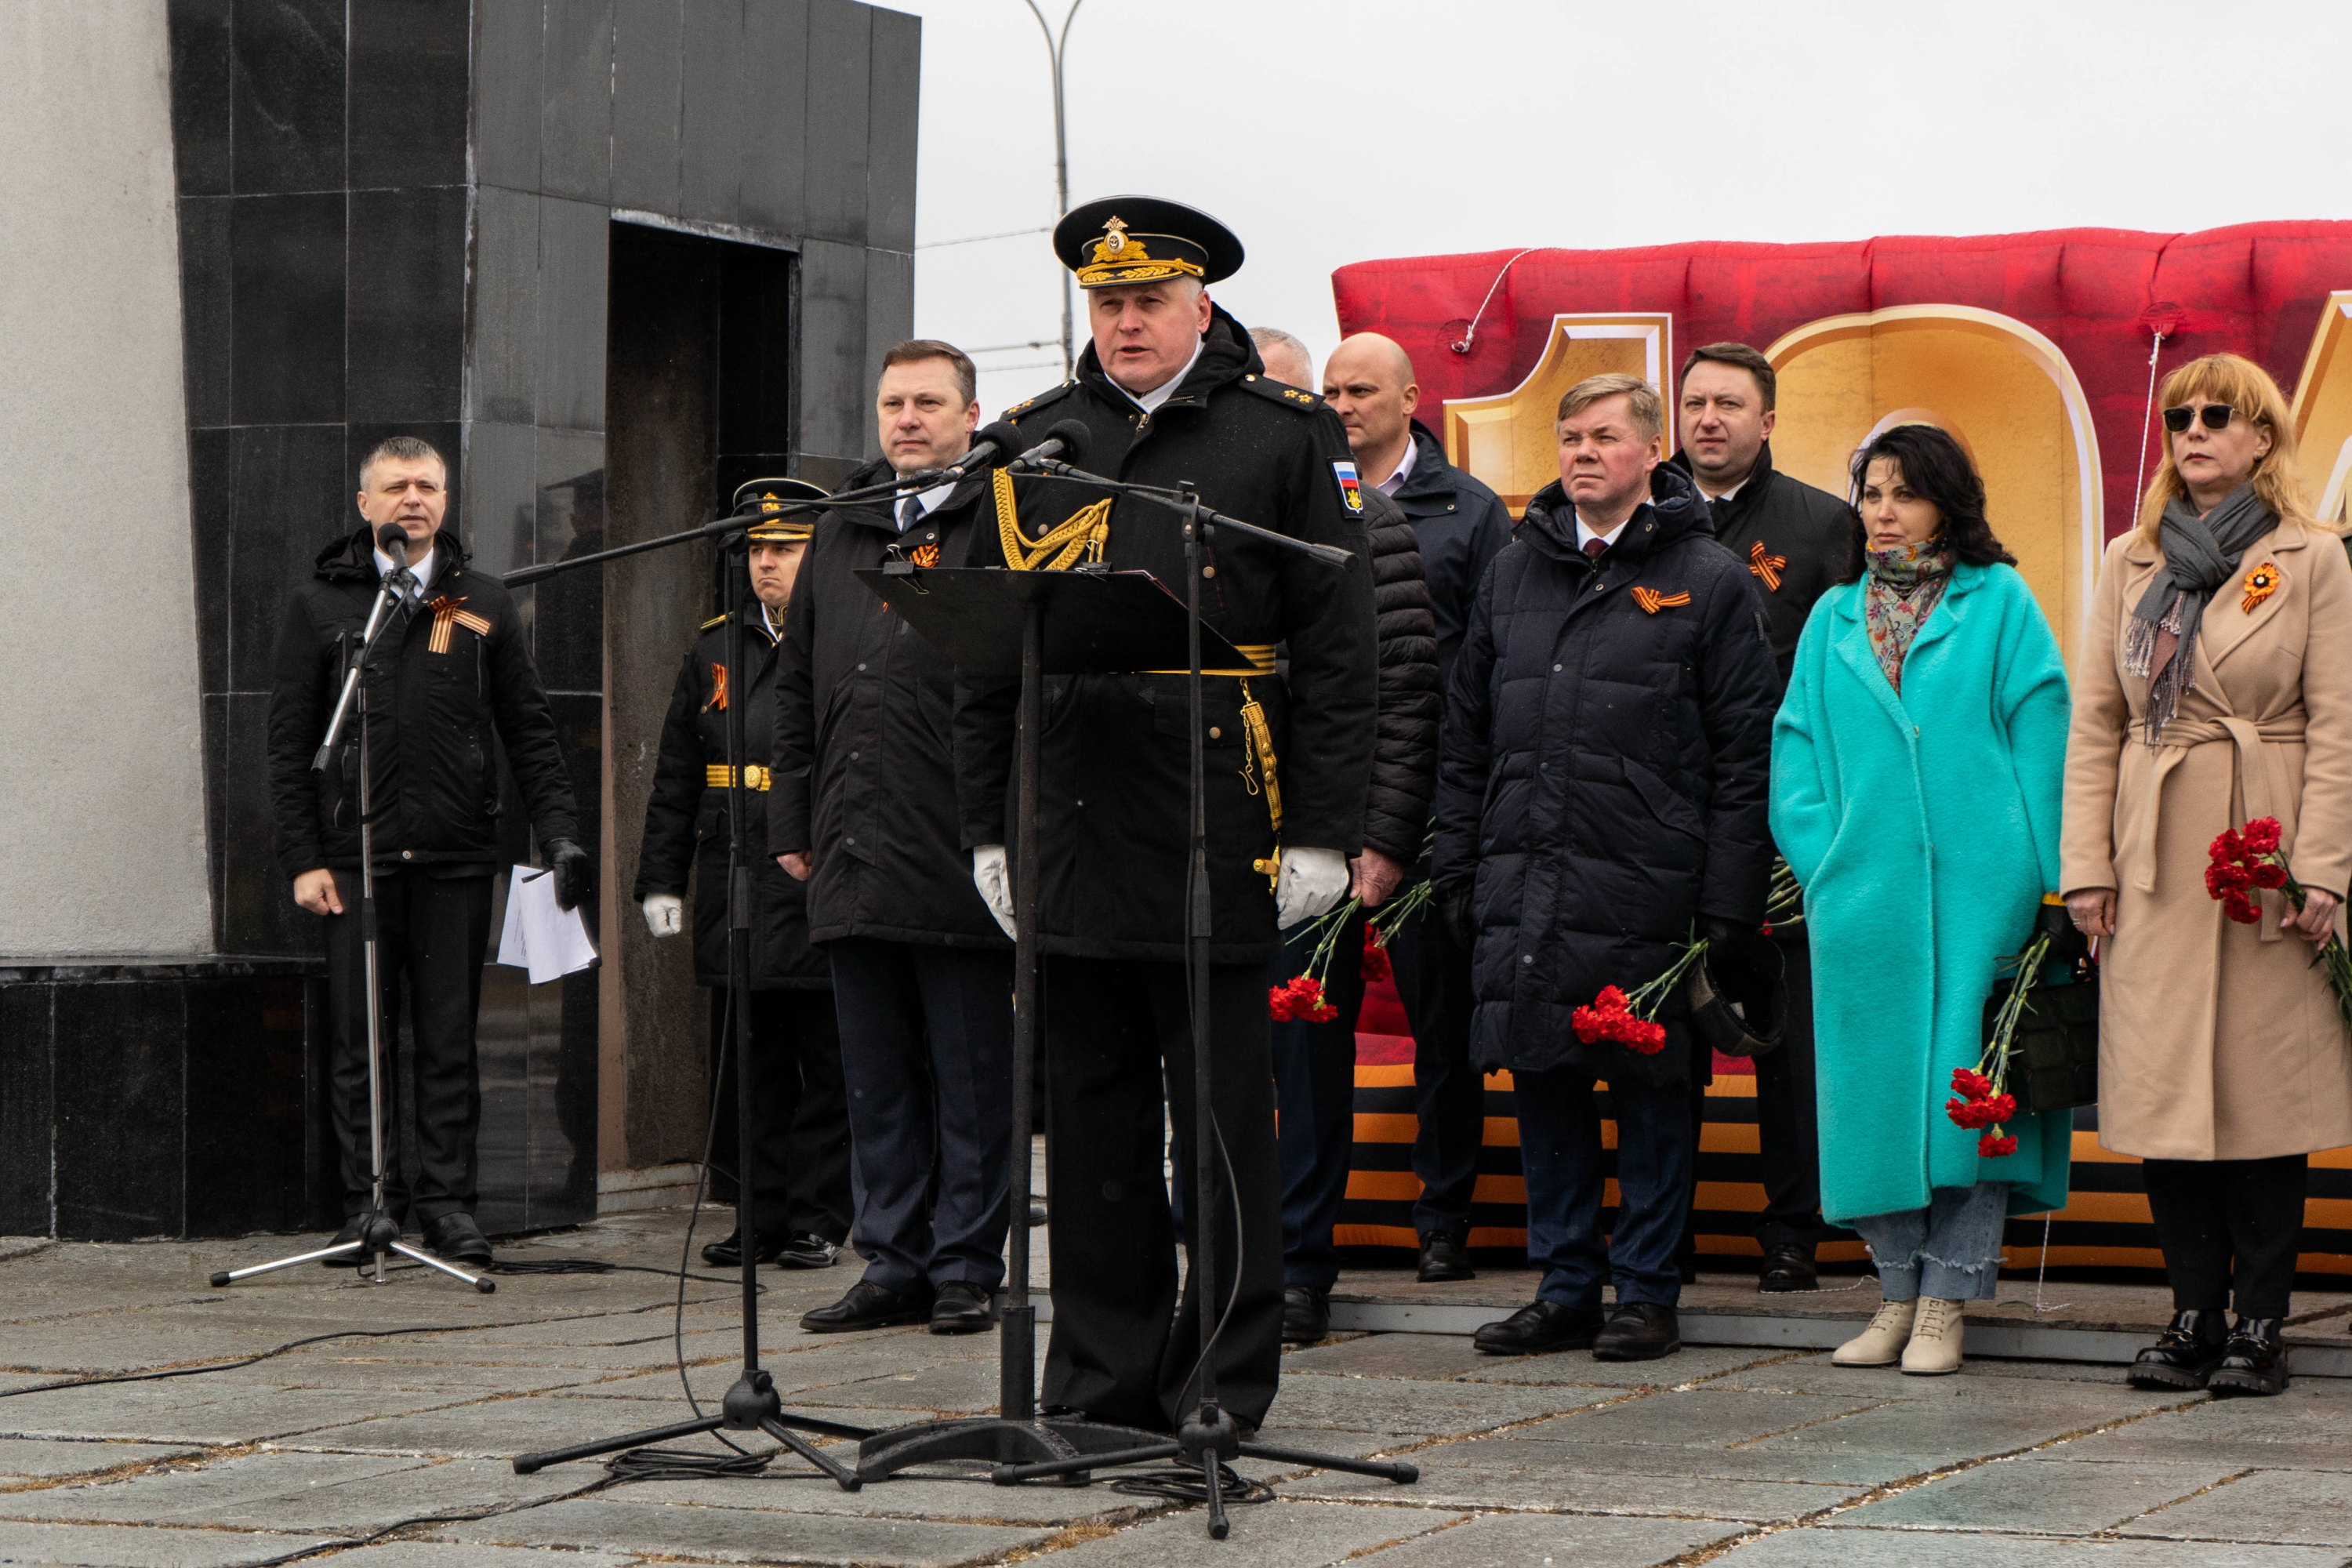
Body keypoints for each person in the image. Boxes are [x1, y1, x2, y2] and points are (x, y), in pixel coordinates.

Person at [955, 198, 1375, 1433]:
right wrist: (989, 829)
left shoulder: (1281, 437)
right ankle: (1100, 1385)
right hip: (1075, 817)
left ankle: (1222, 1388)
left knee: (1225, 1126)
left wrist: (1320, 831)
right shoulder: (1035, 440)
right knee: (1089, 1124)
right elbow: (986, 655)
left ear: (1202, 306)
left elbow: (1342, 655)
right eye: (1107, 302)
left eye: (1148, 301)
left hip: (1217, 814)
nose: (1126, 322)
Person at [1436, 373, 1777, 1361]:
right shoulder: (1512, 570)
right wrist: (1456, 863)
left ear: (1649, 448)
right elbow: (1465, 735)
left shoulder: (1707, 577)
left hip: (1649, 882)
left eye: (1603, 436)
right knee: (1542, 1075)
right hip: (1526, 875)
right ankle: (1567, 1281)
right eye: (1569, 436)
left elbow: (1746, 751)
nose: (1582, 452)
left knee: (1651, 1088)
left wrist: (1726, 900)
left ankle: (1649, 1289)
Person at [2062, 353, 2352, 1398]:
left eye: (2218, 415)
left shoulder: (2311, 558)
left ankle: (2261, 1323)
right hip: (2153, 858)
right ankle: (2191, 1312)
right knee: (2163, 1089)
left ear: (2263, 437)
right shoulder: (2128, 561)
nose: (2194, 430)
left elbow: (2338, 724)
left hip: (2264, 850)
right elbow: (2096, 725)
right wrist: (2086, 869)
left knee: (2265, 1097)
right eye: (2180, 414)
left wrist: (2322, 865)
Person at [1772, 423, 2073, 1376]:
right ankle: (1895, 1289)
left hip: (1987, 893)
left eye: (1904, 493)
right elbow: (1795, 754)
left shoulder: (1999, 602)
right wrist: (1828, 858)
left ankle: (1948, 1296)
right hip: (1865, 900)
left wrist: (2038, 872)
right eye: (1870, 493)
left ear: (1948, 501)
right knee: (1871, 1096)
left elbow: (2043, 734)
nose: (1883, 512)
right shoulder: (1830, 617)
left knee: (1970, 1098)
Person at [267, 436, 589, 1267]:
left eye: (429, 486)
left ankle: (448, 1204)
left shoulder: (480, 600)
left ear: (446, 501)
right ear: (367, 503)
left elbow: (530, 730)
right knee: (359, 1042)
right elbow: (288, 741)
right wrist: (305, 855)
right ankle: (368, 1203)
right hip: (354, 862)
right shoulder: (322, 604)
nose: (414, 498)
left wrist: (559, 831)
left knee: (448, 1039)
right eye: (397, 486)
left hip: (453, 858)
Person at [771, 340, 1017, 1337]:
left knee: (966, 1071)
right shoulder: (842, 525)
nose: (907, 419)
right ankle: (893, 1259)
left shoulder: (999, 515)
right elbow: (793, 688)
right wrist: (794, 819)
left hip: (955, 837)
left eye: (927, 402)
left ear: (969, 413)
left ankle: (964, 1262)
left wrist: (999, 829)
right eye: (891, 403)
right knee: (873, 1073)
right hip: (849, 840)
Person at [1249, 326, 1439, 1346]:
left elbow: (1405, 690)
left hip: (1314, 834)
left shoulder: (1368, 519)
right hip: (1196, 827)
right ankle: (1213, 1249)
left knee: (1304, 1060)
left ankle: (1298, 1267)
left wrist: (1379, 835)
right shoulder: (1191, 512)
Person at [1321, 331, 1513, 1285]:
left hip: (1433, 808)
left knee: (1441, 1026)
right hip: (1322, 799)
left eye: (1362, 389)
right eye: (1331, 389)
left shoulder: (1470, 513)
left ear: (1410, 399)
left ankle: (1445, 1215)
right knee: (1312, 1023)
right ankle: (1306, 1223)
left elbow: (1487, 670)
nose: (1343, 404)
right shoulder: (1306, 497)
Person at [1668, 343, 1857, 1293]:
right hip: (1661, 810)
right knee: (1665, 1031)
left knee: (1786, 1036)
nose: (1708, 418)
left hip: (1784, 816)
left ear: (1767, 421)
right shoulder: (1638, 516)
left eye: (1729, 404)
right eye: (1694, 401)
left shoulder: (1825, 526)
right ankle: (1663, 1237)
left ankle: (1793, 1231)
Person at [634, 488, 849, 1272]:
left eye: (784, 548)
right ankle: (756, 1214)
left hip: (816, 865)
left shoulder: (839, 638)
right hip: (735, 873)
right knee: (748, 1060)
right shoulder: (714, 650)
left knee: (825, 1062)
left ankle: (819, 1216)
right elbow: (676, 775)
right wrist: (660, 878)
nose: (766, 561)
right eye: (757, 549)